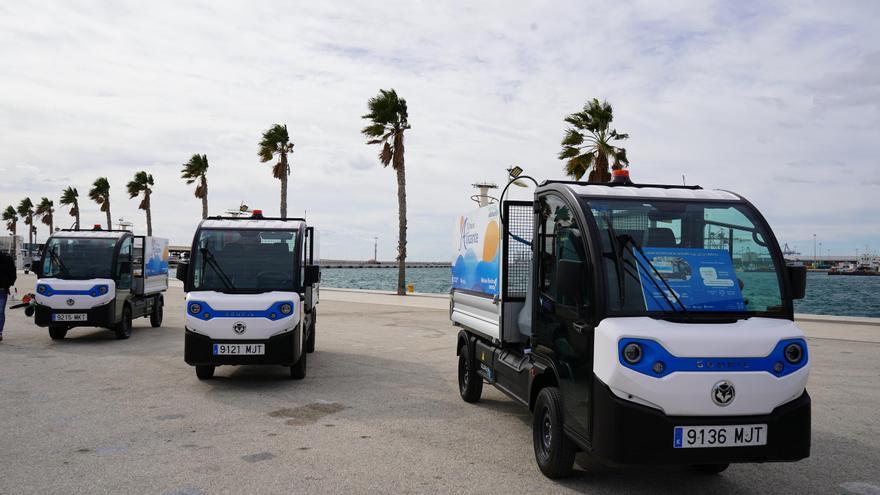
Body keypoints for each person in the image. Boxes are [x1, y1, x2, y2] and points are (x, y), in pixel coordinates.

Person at [0, 250, 17, 341]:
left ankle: (0, 332)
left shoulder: (6, 259)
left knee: (0, 312)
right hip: (3, 289)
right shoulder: (7, 258)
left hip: (2, 290)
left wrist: (7, 284)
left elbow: (13, 274)